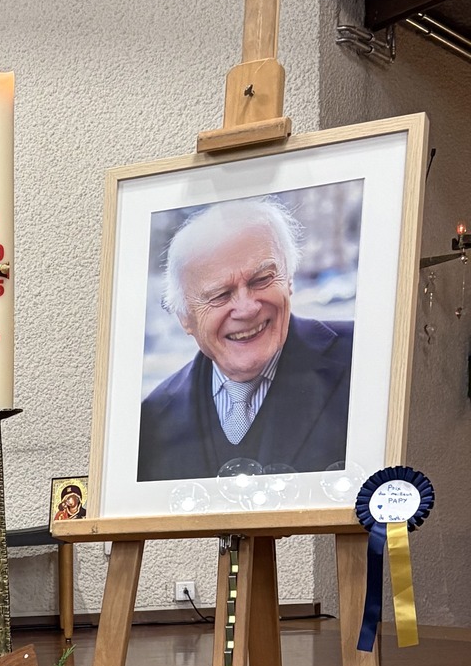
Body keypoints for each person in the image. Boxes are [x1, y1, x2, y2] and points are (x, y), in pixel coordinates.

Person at [137, 197, 354, 482]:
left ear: (289, 279)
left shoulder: (361, 359)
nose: (247, 308)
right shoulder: (152, 421)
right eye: (220, 295)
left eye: (261, 279)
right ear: (185, 318)